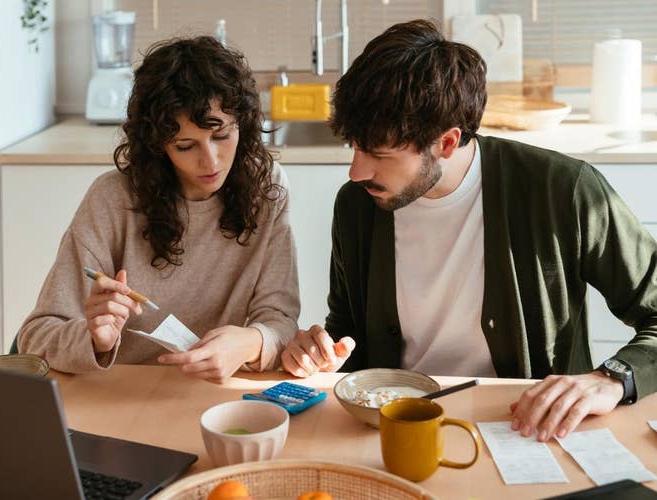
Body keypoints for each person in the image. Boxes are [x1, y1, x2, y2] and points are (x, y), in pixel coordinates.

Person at [281, 20, 657, 441]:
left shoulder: (563, 191)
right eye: (354, 147)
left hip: (526, 430)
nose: (356, 171)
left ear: (446, 143)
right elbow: (349, 329)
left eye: (379, 154)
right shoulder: (358, 206)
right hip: (398, 430)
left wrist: (612, 379)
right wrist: (322, 354)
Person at [18, 36, 299, 383]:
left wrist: (251, 342)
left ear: (243, 123)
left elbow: (281, 320)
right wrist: (94, 339)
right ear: (157, 145)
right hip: (121, 395)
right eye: (185, 145)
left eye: (222, 136)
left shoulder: (266, 188)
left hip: (216, 398)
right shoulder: (113, 199)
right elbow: (36, 337)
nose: (210, 160)